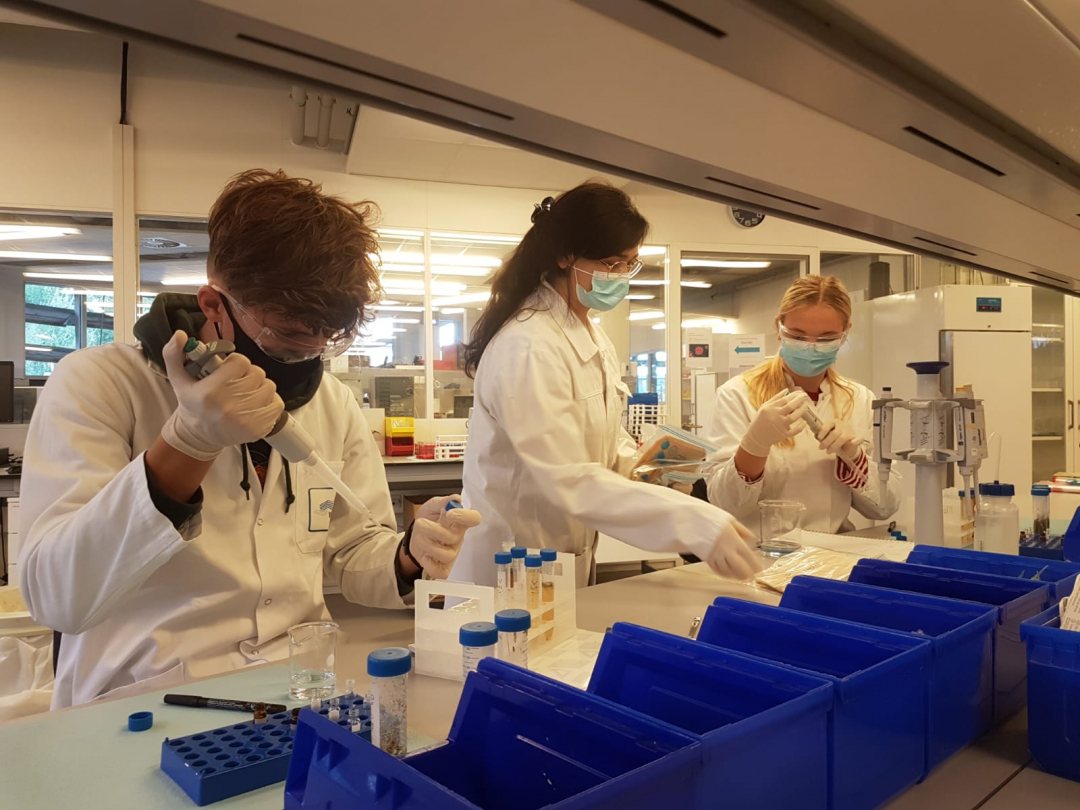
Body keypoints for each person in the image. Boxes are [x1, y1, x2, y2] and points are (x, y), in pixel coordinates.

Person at [18, 169, 479, 708]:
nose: (304, 360)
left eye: (321, 342)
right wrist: (187, 445)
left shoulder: (331, 403)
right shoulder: (100, 384)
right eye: (284, 338)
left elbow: (352, 551)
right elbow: (56, 597)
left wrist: (408, 554)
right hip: (146, 701)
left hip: (299, 690)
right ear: (215, 305)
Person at [452, 182, 761, 588]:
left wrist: (644, 467)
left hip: (561, 560)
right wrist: (694, 522)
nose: (621, 277)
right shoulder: (527, 346)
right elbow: (569, 479)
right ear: (565, 256)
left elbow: (602, 440)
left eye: (629, 265)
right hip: (508, 564)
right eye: (612, 264)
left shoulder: (591, 335)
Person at [705, 275, 899, 533]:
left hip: (832, 554)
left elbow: (884, 507)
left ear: (845, 333)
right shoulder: (737, 394)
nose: (810, 348)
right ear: (779, 326)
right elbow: (726, 504)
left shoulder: (859, 399)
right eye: (798, 335)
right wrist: (755, 445)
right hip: (761, 556)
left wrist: (854, 457)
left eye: (826, 338)